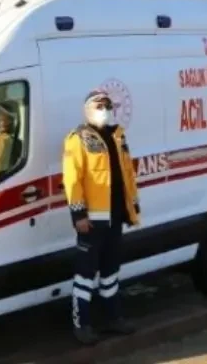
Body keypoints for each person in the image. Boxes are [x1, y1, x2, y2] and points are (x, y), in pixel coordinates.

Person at [62, 90, 141, 345]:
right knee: (85, 274)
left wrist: (131, 211)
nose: (104, 109)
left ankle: (112, 318)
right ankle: (81, 324)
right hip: (91, 221)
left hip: (115, 217)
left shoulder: (117, 136)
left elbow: (127, 175)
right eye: (99, 105)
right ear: (87, 110)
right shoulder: (79, 139)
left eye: (108, 105)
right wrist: (78, 215)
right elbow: (72, 180)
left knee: (110, 272)